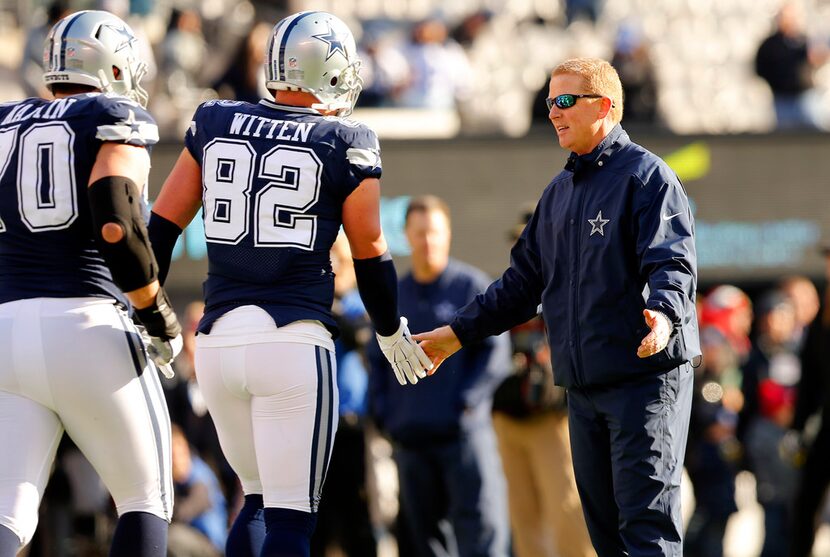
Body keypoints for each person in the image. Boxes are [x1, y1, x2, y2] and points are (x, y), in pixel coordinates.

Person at [147, 11, 432, 557]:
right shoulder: (343, 138)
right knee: (291, 519)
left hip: (218, 345)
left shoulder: (215, 119)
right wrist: (391, 328)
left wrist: (145, 309)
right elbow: (370, 250)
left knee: (254, 501)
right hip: (293, 342)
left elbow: (160, 226)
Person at [415, 57, 700, 555]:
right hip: (583, 388)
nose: (554, 112)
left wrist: (665, 312)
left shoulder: (648, 177)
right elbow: (519, 286)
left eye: (566, 101)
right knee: (605, 536)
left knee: (646, 531)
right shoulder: (558, 193)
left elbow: (671, 262)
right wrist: (456, 335)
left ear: (605, 107)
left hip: (643, 382)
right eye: (550, 103)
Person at [0, 9, 182, 557]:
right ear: (116, 68)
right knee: (146, 498)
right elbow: (115, 221)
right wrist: (157, 313)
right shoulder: (110, 114)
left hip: (7, 330)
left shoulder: (4, 121)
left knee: (8, 514)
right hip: (87, 322)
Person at [368, 195, 511, 557]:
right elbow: (377, 360)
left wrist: (466, 404)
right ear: (406, 236)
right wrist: (386, 414)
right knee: (423, 541)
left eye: (434, 233)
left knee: (481, 533)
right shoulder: (394, 296)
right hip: (412, 439)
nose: (427, 241)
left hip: (463, 438)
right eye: (419, 233)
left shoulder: (470, 288)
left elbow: (496, 354)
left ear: (447, 235)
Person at [490, 206, 593, 557]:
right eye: (518, 242)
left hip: (555, 419)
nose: (522, 249)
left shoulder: (573, 286)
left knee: (568, 514)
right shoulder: (506, 289)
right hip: (509, 415)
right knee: (523, 519)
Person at [790, 245, 830, 557]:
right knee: (805, 506)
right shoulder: (822, 316)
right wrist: (798, 428)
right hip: (825, 429)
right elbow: (810, 381)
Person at [754, 0, 829, 130]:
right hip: (782, 98)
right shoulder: (770, 45)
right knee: (787, 136)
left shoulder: (803, 41)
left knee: (815, 133)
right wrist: (777, 82)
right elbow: (760, 68)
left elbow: (815, 60)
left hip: (805, 98)